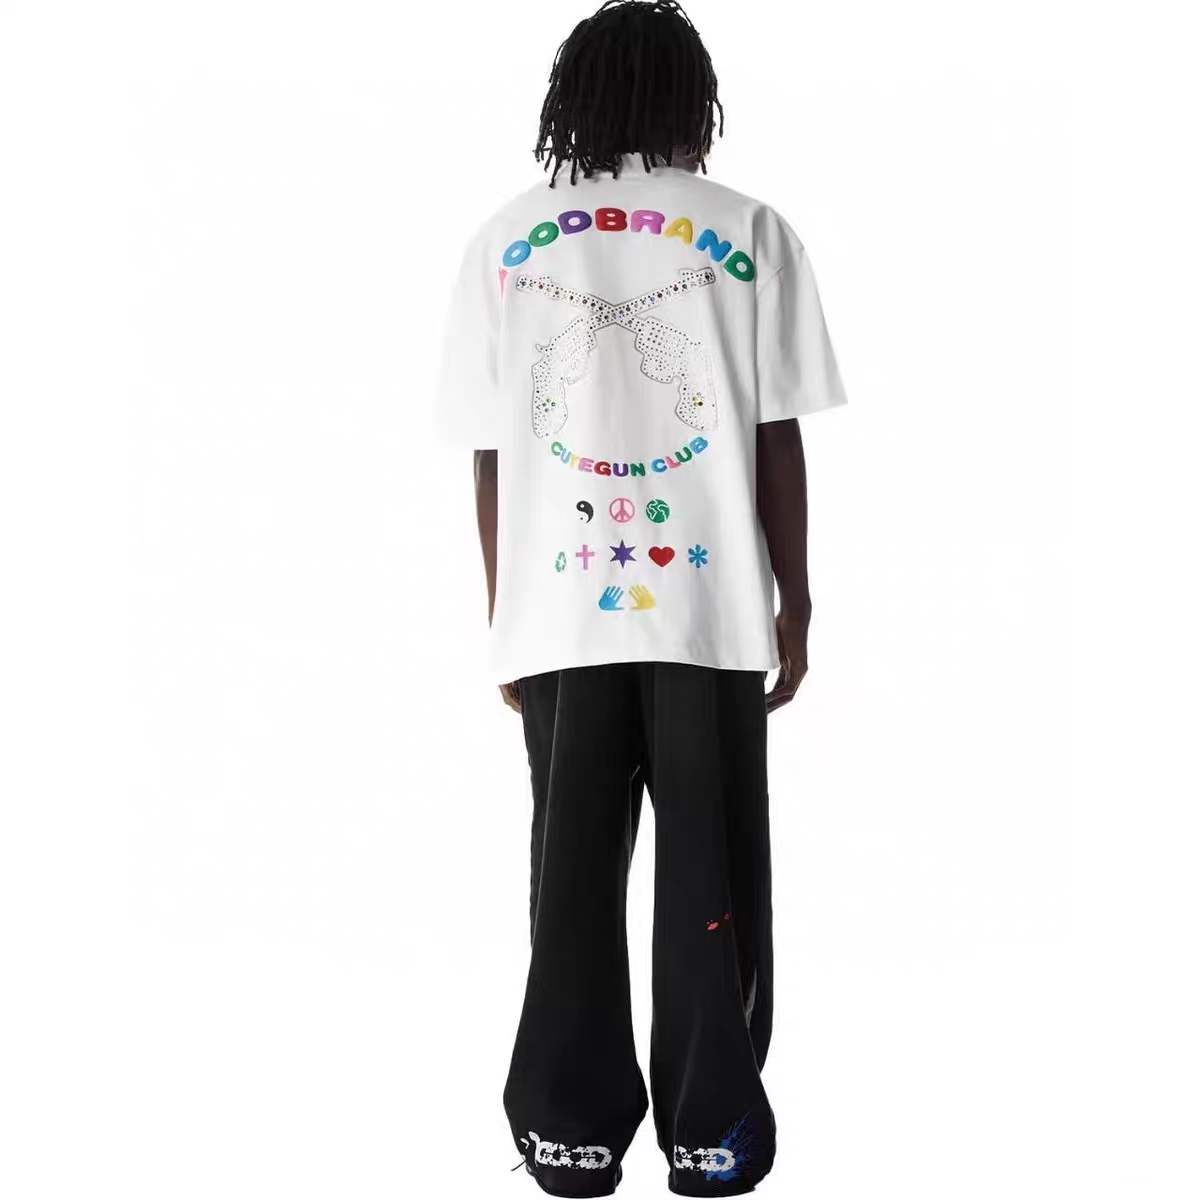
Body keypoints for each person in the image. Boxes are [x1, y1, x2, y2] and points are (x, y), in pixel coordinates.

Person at [436, 2, 846, 1193]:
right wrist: (796, 603)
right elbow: (774, 438)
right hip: (708, 612)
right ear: (691, 100)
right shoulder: (748, 229)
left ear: (573, 99)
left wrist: (507, 617)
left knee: (568, 877)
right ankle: (711, 1132)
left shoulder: (506, 240)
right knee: (711, 875)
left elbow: (489, 453)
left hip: (557, 615)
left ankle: (566, 1132)